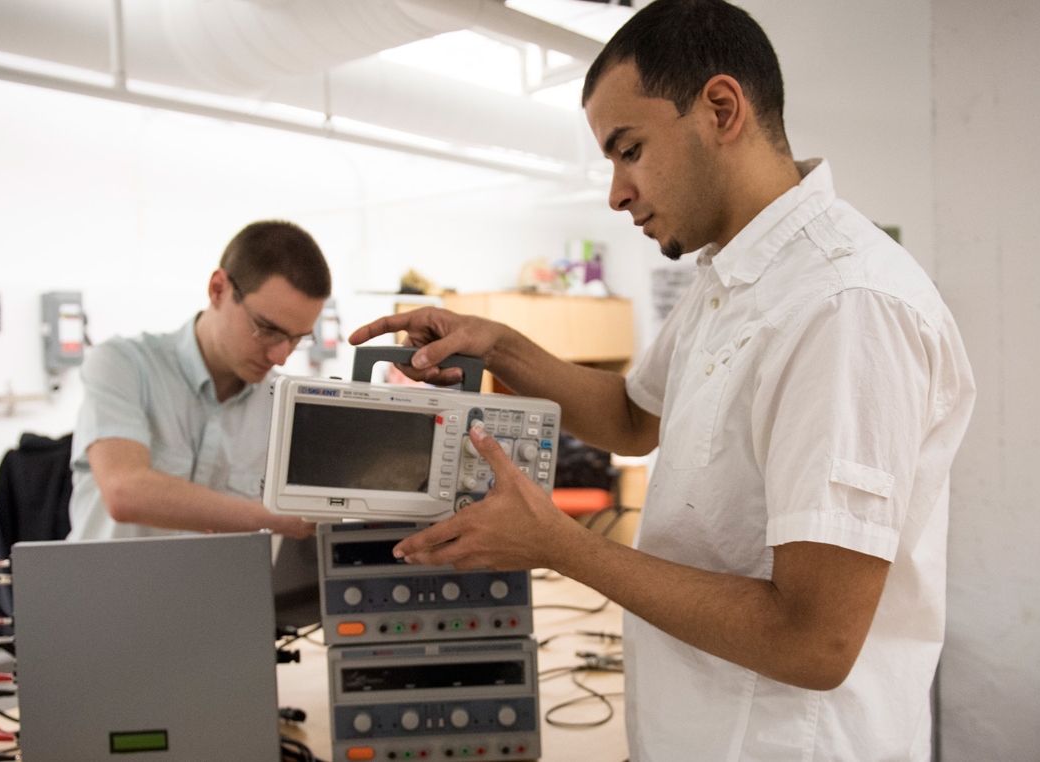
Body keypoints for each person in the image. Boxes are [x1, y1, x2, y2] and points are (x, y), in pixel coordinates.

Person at [347, 1, 976, 760]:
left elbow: (814, 641)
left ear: (719, 108)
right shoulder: (731, 274)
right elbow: (631, 417)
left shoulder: (845, 307)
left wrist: (562, 546)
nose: (616, 192)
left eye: (629, 149)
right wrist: (500, 345)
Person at [67, 220, 329, 541]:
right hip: (109, 590)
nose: (280, 356)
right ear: (218, 289)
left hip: (215, 591)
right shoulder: (121, 364)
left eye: (296, 339)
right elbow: (125, 491)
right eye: (267, 329)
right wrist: (274, 518)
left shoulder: (283, 405)